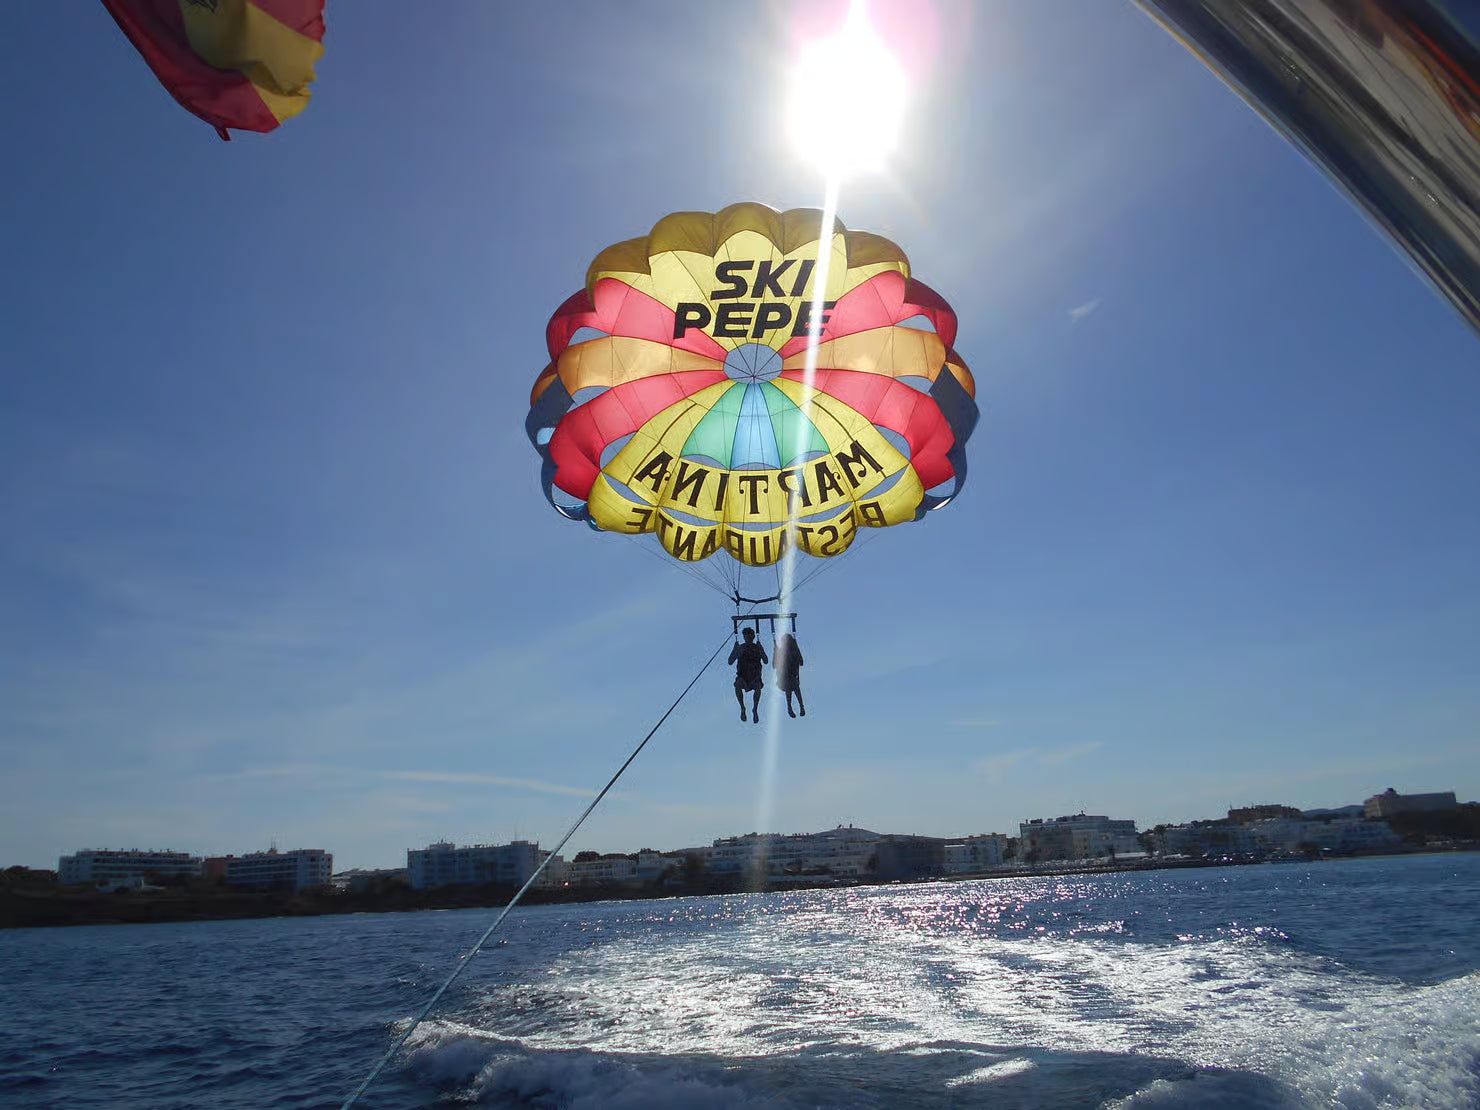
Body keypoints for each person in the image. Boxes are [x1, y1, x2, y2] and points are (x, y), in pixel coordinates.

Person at [728, 627, 768, 723]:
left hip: (755, 677)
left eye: (750, 635)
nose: (748, 638)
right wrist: (734, 649)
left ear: (753, 636)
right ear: (744, 637)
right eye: (746, 636)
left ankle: (755, 709)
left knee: (757, 687)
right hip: (743, 676)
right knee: (737, 685)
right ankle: (742, 707)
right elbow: (730, 661)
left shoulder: (757, 648)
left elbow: (766, 661)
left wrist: (761, 649)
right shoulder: (741, 648)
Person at [774, 632, 805, 718]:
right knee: (790, 686)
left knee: (795, 686)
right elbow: (774, 665)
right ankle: (789, 706)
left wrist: (797, 651)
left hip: (792, 676)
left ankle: (801, 706)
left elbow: (801, 662)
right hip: (784, 678)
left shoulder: (795, 651)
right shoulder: (780, 651)